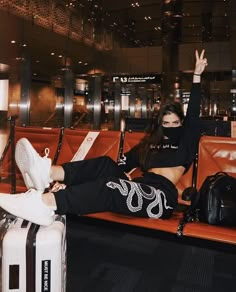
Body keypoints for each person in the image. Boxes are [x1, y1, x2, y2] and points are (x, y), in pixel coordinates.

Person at [0, 50, 208, 226]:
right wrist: (72, 184)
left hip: (161, 196)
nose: (171, 127)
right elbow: (120, 166)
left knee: (112, 186)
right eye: (166, 123)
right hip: (138, 185)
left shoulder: (186, 141)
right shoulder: (150, 145)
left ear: (181, 124)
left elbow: (193, 116)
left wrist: (197, 76)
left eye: (175, 123)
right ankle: (48, 172)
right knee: (105, 165)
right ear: (159, 124)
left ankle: (44, 205)